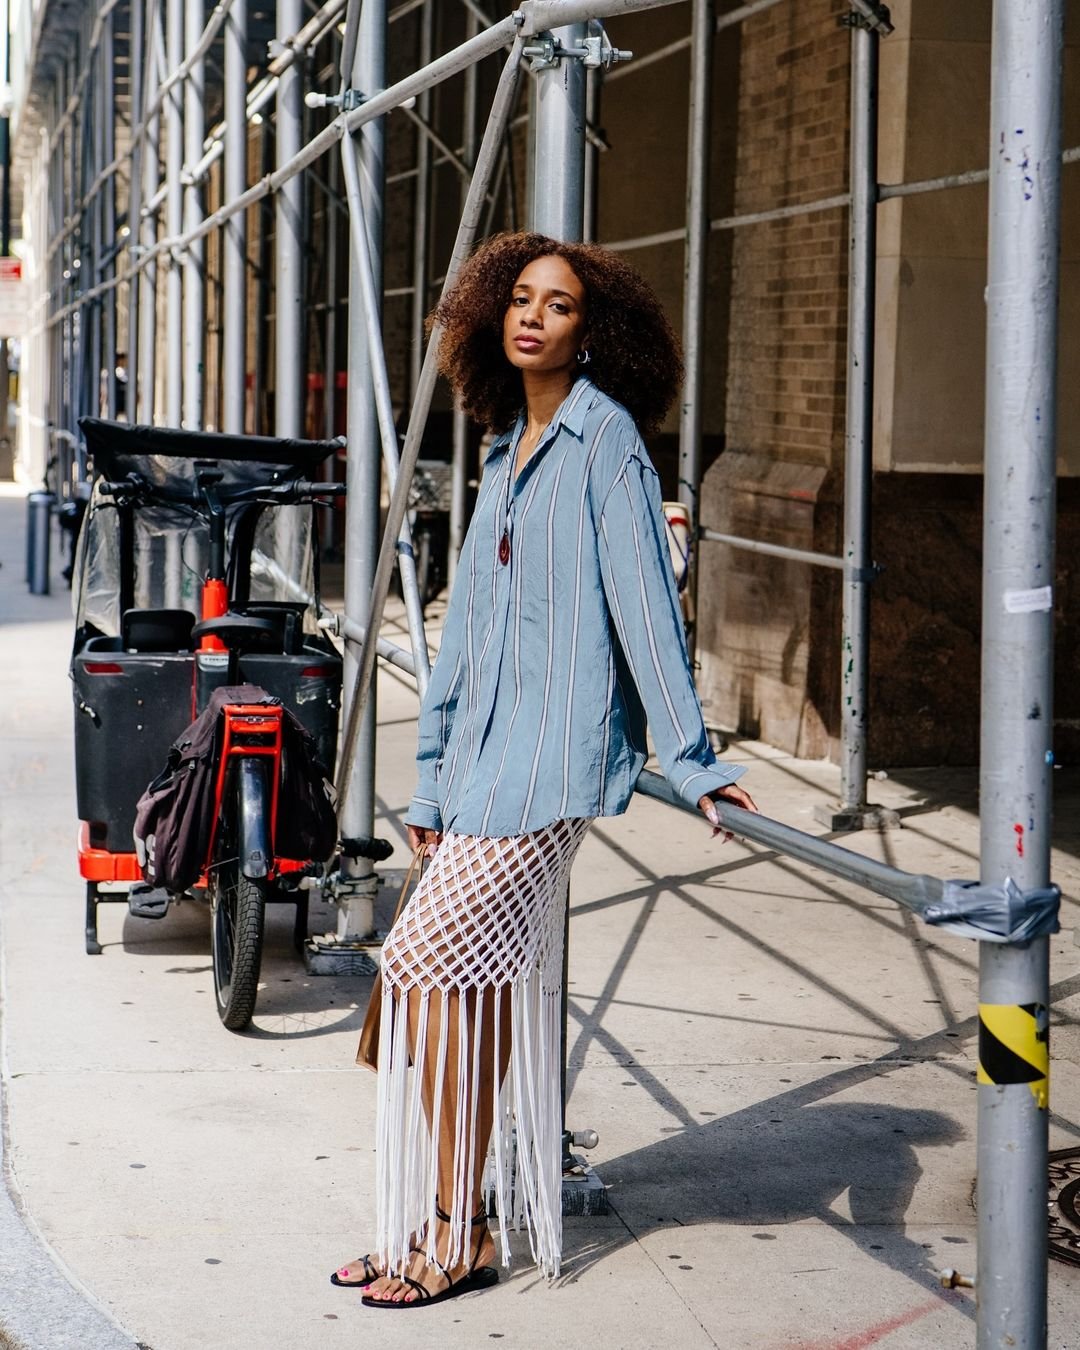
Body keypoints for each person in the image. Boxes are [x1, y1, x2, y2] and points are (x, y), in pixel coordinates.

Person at [332, 231, 757, 1308]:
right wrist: (428, 782)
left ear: (594, 329)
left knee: (423, 969)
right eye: (518, 299)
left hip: (552, 775)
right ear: (491, 318)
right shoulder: (504, 455)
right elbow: (467, 632)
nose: (533, 317)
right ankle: (435, 1221)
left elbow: (646, 611)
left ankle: (458, 1223)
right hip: (479, 776)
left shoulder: (608, 443)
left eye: (558, 305)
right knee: (450, 1000)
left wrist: (693, 759)